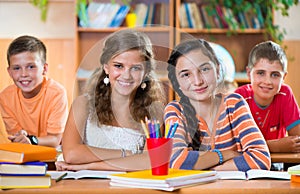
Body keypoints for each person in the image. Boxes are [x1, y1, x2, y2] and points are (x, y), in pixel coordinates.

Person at [55, 29, 166, 171]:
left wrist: (90, 165)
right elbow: (71, 154)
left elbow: (148, 162)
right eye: (119, 66)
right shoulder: (82, 104)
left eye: (136, 68)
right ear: (106, 67)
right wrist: (128, 154)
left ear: (145, 73)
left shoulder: (154, 112)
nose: (126, 76)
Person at [164, 39, 271, 172]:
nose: (197, 81)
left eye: (204, 69)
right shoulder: (175, 111)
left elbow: (260, 159)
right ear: (177, 83)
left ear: (218, 70)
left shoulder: (234, 104)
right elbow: (177, 162)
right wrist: (226, 155)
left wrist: (203, 166)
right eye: (186, 74)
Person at [0, 35, 68, 148]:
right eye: (17, 68)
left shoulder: (57, 93)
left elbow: (55, 140)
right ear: (10, 72)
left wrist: (31, 140)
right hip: (25, 152)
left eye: (31, 67)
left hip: (53, 153)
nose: (24, 74)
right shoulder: (5, 97)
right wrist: (20, 137)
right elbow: (17, 138)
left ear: (44, 69)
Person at [235, 41, 300, 154]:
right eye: (260, 73)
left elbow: (297, 141)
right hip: (246, 165)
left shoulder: (285, 94)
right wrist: (275, 146)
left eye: (275, 75)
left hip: (276, 164)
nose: (267, 81)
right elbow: (235, 146)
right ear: (249, 73)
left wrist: (258, 146)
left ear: (283, 77)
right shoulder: (239, 97)